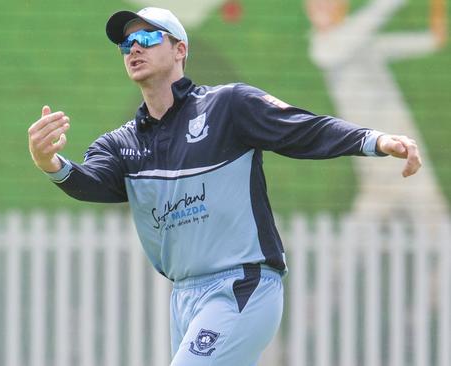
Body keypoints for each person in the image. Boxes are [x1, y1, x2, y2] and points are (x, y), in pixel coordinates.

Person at [27, 7, 421, 365]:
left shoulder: (227, 106)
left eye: (147, 38)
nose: (134, 49)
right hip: (183, 296)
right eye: (126, 43)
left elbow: (304, 130)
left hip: (242, 286)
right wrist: (51, 163)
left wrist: (375, 140)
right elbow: (91, 183)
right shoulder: (121, 143)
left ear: (180, 49)